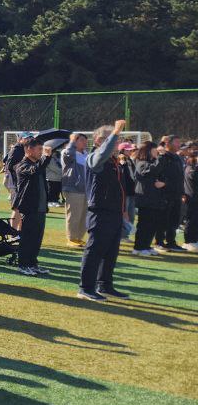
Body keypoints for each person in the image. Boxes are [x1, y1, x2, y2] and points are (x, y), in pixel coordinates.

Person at [79, 120, 130, 301]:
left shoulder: (113, 161)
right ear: (99, 141)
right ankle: (86, 288)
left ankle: (105, 285)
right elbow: (102, 154)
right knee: (95, 250)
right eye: (114, 140)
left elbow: (120, 188)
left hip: (114, 212)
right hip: (100, 212)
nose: (117, 143)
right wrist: (115, 132)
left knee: (111, 252)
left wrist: (123, 210)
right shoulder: (94, 157)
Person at [9, 137, 54, 276]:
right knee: (27, 238)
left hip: (40, 208)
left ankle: (32, 264)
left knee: (37, 239)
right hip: (29, 208)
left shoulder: (38, 165)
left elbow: (39, 169)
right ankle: (23, 265)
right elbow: (34, 170)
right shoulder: (22, 165)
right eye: (39, 149)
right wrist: (46, 157)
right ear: (29, 149)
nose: (41, 152)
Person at [132, 141, 167, 257]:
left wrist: (163, 183)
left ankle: (146, 245)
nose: (156, 151)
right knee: (144, 225)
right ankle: (138, 247)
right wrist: (160, 157)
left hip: (155, 199)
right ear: (147, 150)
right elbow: (153, 170)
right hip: (145, 199)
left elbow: (161, 172)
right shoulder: (141, 163)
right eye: (154, 149)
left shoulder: (153, 162)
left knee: (152, 224)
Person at [156, 135, 186, 252]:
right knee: (163, 219)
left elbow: (180, 177)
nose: (179, 144)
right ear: (168, 143)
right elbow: (158, 174)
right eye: (176, 142)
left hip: (177, 194)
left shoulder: (177, 158)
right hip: (165, 194)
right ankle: (159, 242)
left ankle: (171, 242)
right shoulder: (163, 157)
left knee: (174, 220)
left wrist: (182, 192)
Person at [61, 133, 89, 247]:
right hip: (73, 189)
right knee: (74, 215)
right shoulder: (68, 152)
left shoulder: (86, 154)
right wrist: (71, 142)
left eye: (86, 140)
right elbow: (68, 155)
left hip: (86, 189)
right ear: (74, 141)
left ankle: (78, 238)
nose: (85, 142)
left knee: (84, 215)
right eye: (81, 140)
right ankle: (71, 238)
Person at [185, 147, 198, 251]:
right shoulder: (191, 168)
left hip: (194, 197)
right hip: (192, 197)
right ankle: (189, 240)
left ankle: (194, 239)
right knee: (192, 219)